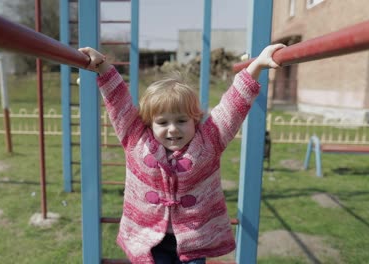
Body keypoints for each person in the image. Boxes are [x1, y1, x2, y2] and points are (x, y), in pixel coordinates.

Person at [78, 43, 285, 264]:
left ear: (195, 119)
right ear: (148, 124)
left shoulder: (209, 142)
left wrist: (257, 66)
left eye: (181, 120)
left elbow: (232, 107)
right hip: (150, 239)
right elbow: (119, 104)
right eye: (163, 122)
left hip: (194, 240)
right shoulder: (135, 138)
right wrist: (103, 68)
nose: (173, 129)